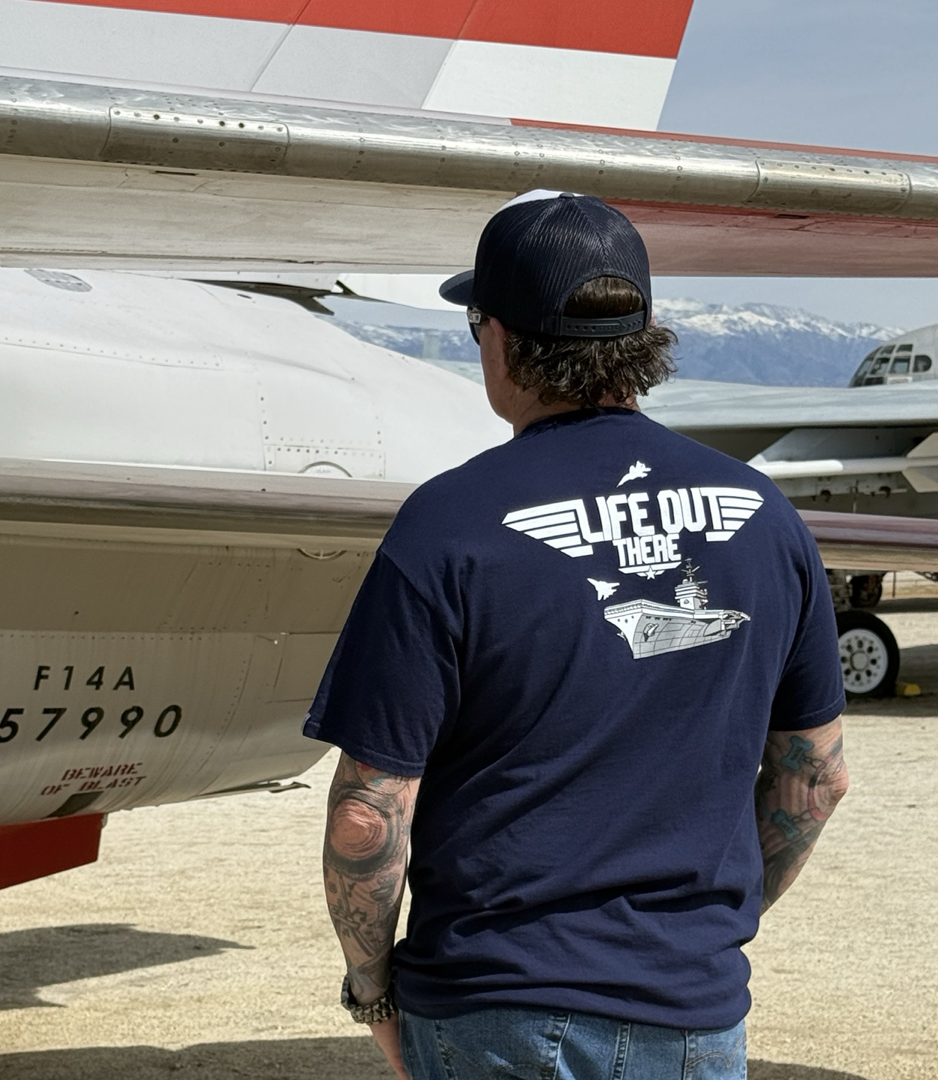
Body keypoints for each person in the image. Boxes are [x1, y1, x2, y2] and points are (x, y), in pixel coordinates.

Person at [303, 190, 848, 1080]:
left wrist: (371, 989)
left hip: (494, 1004)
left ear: (500, 337)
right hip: (692, 1010)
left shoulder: (451, 524)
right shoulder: (765, 515)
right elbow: (816, 779)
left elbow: (372, 810)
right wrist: (703, 932)